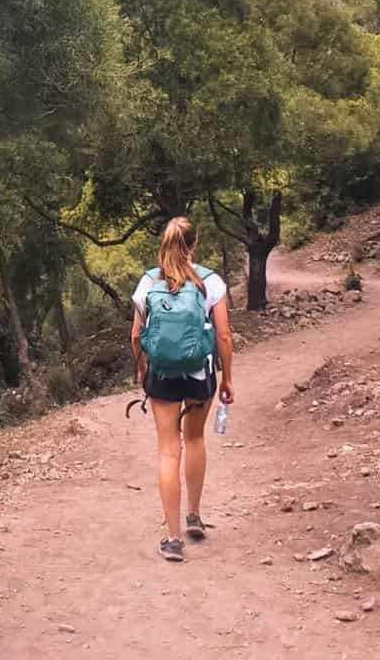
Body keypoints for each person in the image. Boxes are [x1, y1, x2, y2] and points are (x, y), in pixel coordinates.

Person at [130, 216, 235, 562]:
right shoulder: (210, 281)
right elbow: (222, 335)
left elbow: (135, 335)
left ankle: (173, 539)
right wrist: (227, 378)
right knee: (194, 439)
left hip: (161, 374)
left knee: (167, 451)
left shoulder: (149, 282)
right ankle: (194, 516)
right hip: (198, 372)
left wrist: (141, 366)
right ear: (194, 243)